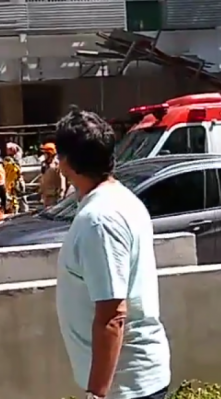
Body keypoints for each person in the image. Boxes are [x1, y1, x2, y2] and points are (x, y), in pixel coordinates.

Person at [54, 108, 170, 399]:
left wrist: (96, 394)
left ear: (66, 162)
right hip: (129, 382)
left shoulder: (100, 219)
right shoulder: (116, 200)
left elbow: (112, 316)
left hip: (125, 387)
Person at [39, 142, 66, 208]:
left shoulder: (57, 166)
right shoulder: (44, 165)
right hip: (46, 197)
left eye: (45, 153)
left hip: (53, 197)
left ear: (50, 154)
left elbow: (62, 181)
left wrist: (60, 195)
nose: (43, 155)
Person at [4, 142, 27, 213]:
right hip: (10, 182)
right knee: (12, 199)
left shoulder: (16, 159)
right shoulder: (9, 159)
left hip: (17, 181)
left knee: (21, 198)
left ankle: (25, 212)